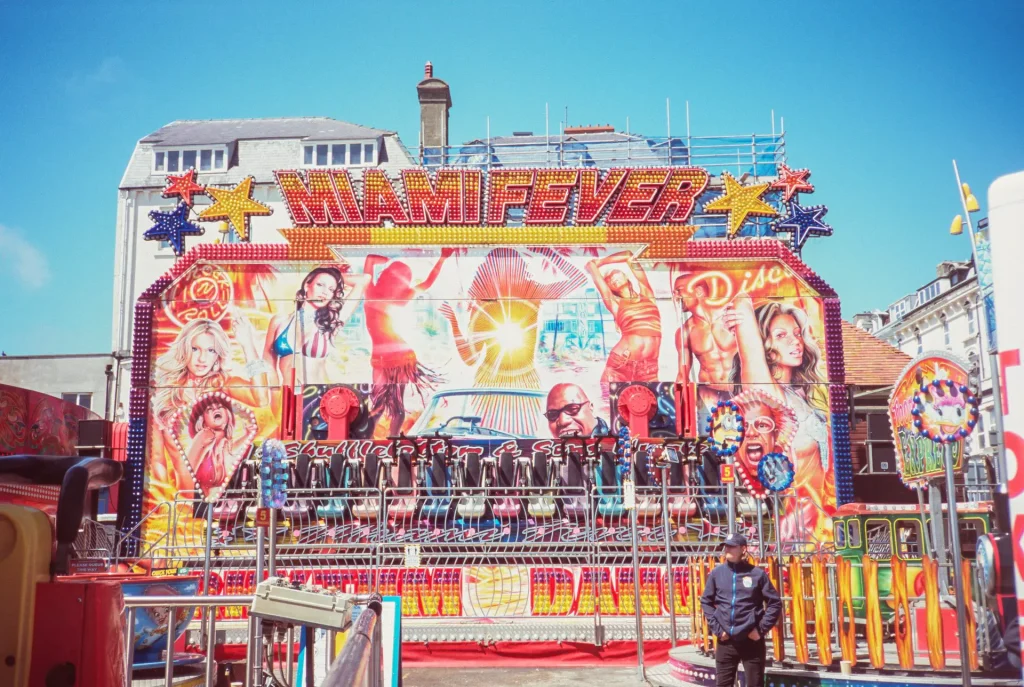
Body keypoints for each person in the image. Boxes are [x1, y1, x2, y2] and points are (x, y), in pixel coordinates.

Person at [441, 247, 587, 436]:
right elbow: (469, 358)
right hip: (498, 383)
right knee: (504, 439)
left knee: (504, 439)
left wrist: (545, 251)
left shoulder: (516, 295)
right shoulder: (492, 302)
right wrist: (545, 251)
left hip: (515, 381)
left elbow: (579, 280)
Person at [724, 299, 833, 546]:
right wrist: (738, 320)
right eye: (781, 335)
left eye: (797, 334)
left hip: (825, 522)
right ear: (765, 345)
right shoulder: (768, 393)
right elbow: (742, 302)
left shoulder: (799, 396)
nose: (796, 341)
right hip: (797, 529)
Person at [363, 250, 453, 436]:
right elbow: (426, 283)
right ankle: (385, 443)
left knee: (387, 405)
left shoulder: (372, 291)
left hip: (397, 357)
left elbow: (370, 259)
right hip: (390, 356)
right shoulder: (389, 294)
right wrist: (442, 258)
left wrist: (389, 260)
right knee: (384, 405)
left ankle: (389, 443)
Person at [264, 264, 369, 387]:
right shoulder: (279, 321)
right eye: (320, 285)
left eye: (331, 289)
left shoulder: (331, 322)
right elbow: (268, 363)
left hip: (316, 398)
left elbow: (363, 280)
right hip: (288, 397)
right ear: (307, 285)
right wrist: (274, 393)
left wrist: (334, 273)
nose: (325, 292)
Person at [700, 533, 782, 687]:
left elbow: (775, 603)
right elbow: (706, 601)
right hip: (725, 642)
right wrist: (718, 629)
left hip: (751, 641)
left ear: (743, 549)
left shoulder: (757, 574)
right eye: (726, 546)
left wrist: (760, 629)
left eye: (732, 546)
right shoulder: (717, 574)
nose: (727, 549)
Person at [586, 251, 662, 399]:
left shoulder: (647, 295)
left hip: (650, 370)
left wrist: (602, 262)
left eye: (615, 274)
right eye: (608, 280)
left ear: (626, 277)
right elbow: (590, 266)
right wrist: (595, 266)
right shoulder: (615, 304)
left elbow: (629, 255)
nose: (612, 278)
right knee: (611, 410)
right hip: (621, 365)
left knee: (655, 414)